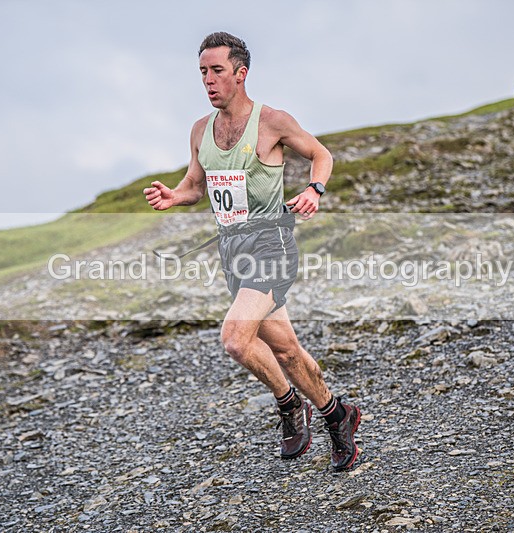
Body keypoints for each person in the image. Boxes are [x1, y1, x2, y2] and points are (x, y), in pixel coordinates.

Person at [143, 32, 361, 471]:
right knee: (287, 353)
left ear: (241, 74)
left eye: (217, 71)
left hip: (271, 245)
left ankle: (287, 405)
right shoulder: (201, 130)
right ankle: (339, 416)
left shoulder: (272, 122)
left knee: (235, 339)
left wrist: (315, 189)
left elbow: (321, 154)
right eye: (203, 72)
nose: (208, 80)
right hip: (232, 252)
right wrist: (174, 196)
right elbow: (195, 185)